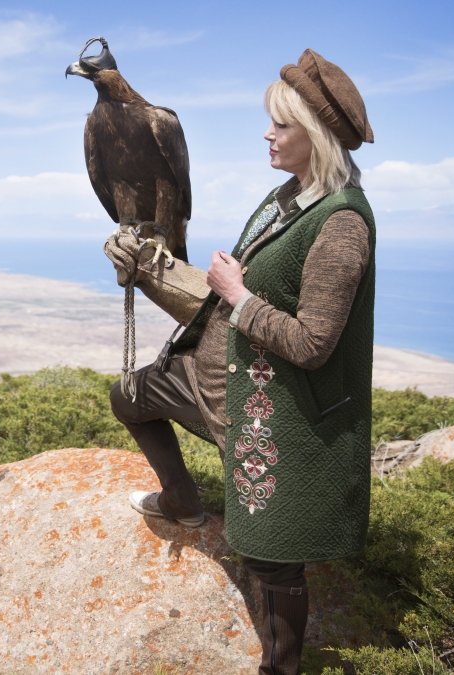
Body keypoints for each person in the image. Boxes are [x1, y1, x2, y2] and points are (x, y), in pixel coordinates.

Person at [104, 49, 376, 675]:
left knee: (270, 556)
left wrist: (239, 294)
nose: (268, 134)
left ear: (317, 135)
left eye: (281, 124)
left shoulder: (342, 223)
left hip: (275, 409)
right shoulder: (288, 197)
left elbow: (313, 344)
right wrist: (152, 269)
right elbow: (231, 294)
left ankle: (281, 668)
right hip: (214, 375)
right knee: (129, 396)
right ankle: (181, 499)